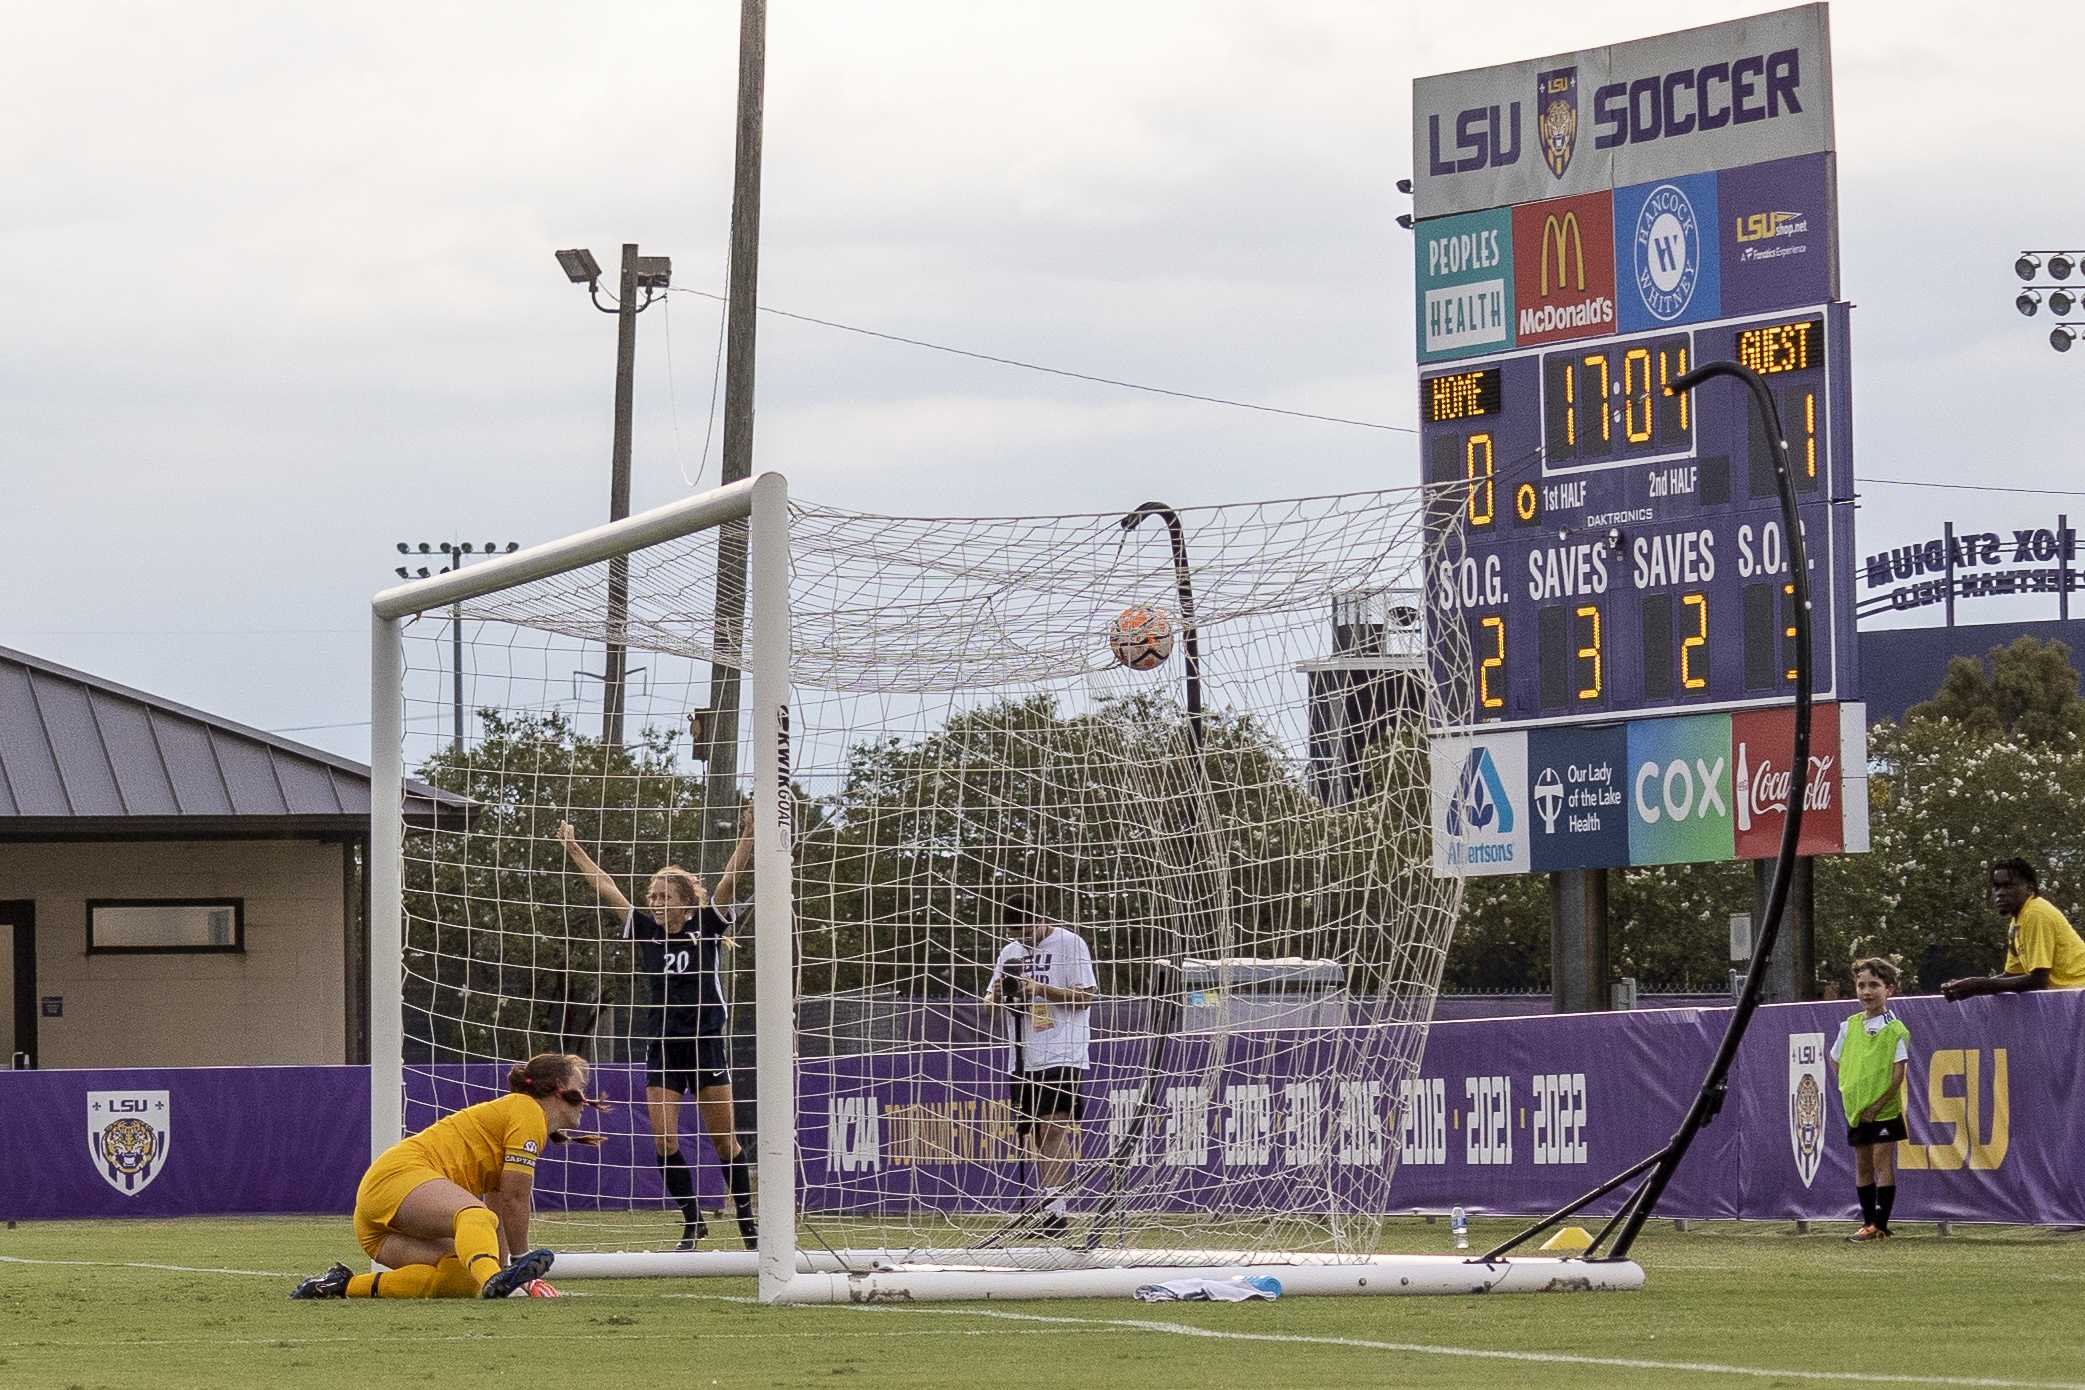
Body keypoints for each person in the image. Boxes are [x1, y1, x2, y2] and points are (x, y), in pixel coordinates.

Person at [558, 814, 756, 1249]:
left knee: (724, 1142)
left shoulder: (707, 924)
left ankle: (748, 1223)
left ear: (685, 901)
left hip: (705, 1043)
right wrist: (574, 849)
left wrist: (747, 834)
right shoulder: (646, 931)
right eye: (652, 895)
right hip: (663, 1046)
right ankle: (692, 1221)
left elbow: (728, 880)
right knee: (664, 1140)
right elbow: (606, 887)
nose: (655, 901)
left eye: (664, 895)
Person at [289, 1052, 603, 1299]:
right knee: (476, 1218)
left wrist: (513, 1278)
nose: (586, 1100)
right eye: (581, 1088)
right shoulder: (527, 1111)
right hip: (398, 1176)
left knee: (463, 1278)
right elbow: (514, 1198)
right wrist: (522, 1265)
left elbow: (500, 1203)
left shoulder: (520, 1116)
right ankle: (491, 1277)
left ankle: (342, 1286)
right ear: (558, 1089)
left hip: (376, 1231)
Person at [984, 893, 1098, 1240]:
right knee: (1036, 1133)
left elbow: (1087, 997)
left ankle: (1055, 1211)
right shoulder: (1010, 952)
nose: (1021, 937)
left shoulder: (1070, 943)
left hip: (1063, 1051)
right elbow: (988, 1002)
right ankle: (1052, 1211)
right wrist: (1002, 996)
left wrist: (1040, 989)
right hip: (1022, 1055)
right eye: (1014, 931)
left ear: (1040, 919)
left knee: (1053, 1128)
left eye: (1026, 928)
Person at [1829, 958, 1912, 1244]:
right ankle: (1867, 1223)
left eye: (1874, 985)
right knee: (1863, 1165)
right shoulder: (1849, 1025)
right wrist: (1852, 1088)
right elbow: (1836, 1058)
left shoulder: (1895, 1028)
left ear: (1889, 989)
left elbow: (1898, 1074)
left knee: (1881, 1163)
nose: (1866, 991)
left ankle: (1881, 1223)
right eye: (1861, 985)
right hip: (1857, 1110)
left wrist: (1877, 1103)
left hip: (1883, 1110)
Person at [1941, 858, 2085, 1001]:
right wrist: (1966, 987)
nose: (2000, 893)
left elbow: (2038, 980)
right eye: (1996, 887)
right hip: (2069, 998)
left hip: (2079, 995)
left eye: (2008, 886)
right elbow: (2011, 975)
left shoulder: (2036, 913)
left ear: (2030, 889)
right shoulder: (2017, 922)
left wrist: (1978, 985)